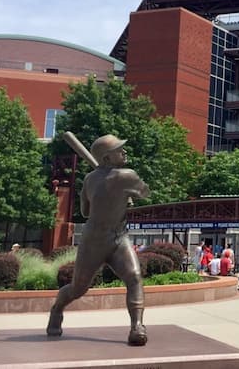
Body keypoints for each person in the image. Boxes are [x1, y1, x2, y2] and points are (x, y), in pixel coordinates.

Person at [46, 134, 151, 346]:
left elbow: (85, 211)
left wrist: (109, 193)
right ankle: (57, 309)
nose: (124, 152)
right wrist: (122, 193)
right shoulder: (127, 176)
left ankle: (137, 327)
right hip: (95, 241)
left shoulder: (90, 178)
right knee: (78, 289)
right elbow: (145, 192)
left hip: (118, 237)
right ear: (106, 159)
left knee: (134, 276)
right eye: (119, 150)